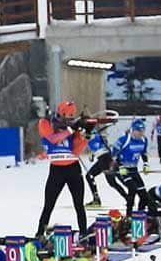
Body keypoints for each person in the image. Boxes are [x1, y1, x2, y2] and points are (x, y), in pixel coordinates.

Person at [35, 101, 90, 239]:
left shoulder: (71, 128)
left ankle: (84, 233)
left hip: (73, 168)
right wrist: (70, 130)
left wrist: (86, 134)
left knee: (79, 204)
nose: (70, 119)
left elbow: (76, 151)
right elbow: (52, 140)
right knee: (49, 204)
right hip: (56, 170)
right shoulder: (45, 123)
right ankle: (40, 233)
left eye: (72, 117)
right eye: (67, 116)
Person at [112, 119, 152, 211]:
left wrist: (146, 164)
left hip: (133, 169)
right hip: (121, 169)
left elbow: (144, 153)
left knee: (143, 194)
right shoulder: (124, 140)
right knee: (132, 189)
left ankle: (140, 214)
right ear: (133, 130)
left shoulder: (144, 140)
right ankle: (129, 214)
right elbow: (114, 155)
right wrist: (120, 166)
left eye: (143, 131)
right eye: (139, 131)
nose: (141, 133)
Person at [82, 121, 113, 209]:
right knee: (90, 176)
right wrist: (91, 154)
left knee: (111, 181)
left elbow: (90, 137)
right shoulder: (90, 134)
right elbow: (93, 145)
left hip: (104, 158)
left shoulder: (91, 133)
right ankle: (96, 199)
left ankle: (128, 197)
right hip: (102, 158)